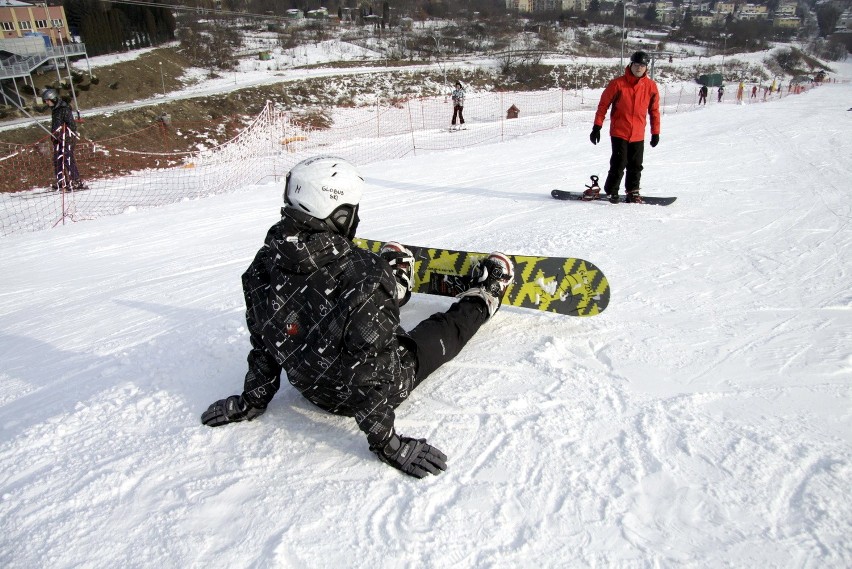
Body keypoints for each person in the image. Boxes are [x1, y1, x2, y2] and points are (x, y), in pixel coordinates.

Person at [200, 156, 515, 479]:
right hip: (358, 395)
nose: (357, 217)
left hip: (310, 387)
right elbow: (368, 375)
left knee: (363, 300)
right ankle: (483, 296)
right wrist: (389, 445)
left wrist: (252, 399)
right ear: (339, 215)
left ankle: (395, 283)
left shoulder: (264, 263)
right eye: (353, 210)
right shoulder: (362, 274)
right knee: (437, 335)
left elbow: (265, 343)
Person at [588, 51, 660, 204]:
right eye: (636, 64)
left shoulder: (651, 87)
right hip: (620, 131)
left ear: (646, 67)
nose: (639, 68)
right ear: (631, 64)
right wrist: (597, 127)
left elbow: (654, 111)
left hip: (638, 133)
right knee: (619, 163)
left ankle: (633, 192)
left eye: (642, 65)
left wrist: (655, 132)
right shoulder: (617, 84)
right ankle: (611, 190)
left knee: (636, 165)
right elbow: (603, 105)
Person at [42, 88, 87, 191]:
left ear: (53, 99)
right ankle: (61, 181)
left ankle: (76, 181)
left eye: (47, 100)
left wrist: (63, 137)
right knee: (57, 160)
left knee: (67, 159)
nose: (46, 102)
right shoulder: (55, 110)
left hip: (67, 139)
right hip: (57, 139)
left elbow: (71, 126)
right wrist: (55, 137)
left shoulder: (64, 109)